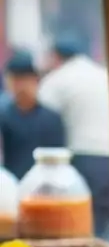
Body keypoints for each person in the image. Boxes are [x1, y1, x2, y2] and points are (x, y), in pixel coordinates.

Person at [38, 39, 109, 236]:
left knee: (77, 222)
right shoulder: (102, 74)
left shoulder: (58, 79)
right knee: (100, 220)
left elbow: (39, 113)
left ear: (55, 57)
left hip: (79, 156)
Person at [0, 51, 66, 179]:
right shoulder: (4, 118)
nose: (21, 87)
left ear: (36, 81)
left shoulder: (51, 119)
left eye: (25, 80)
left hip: (43, 184)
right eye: (15, 80)